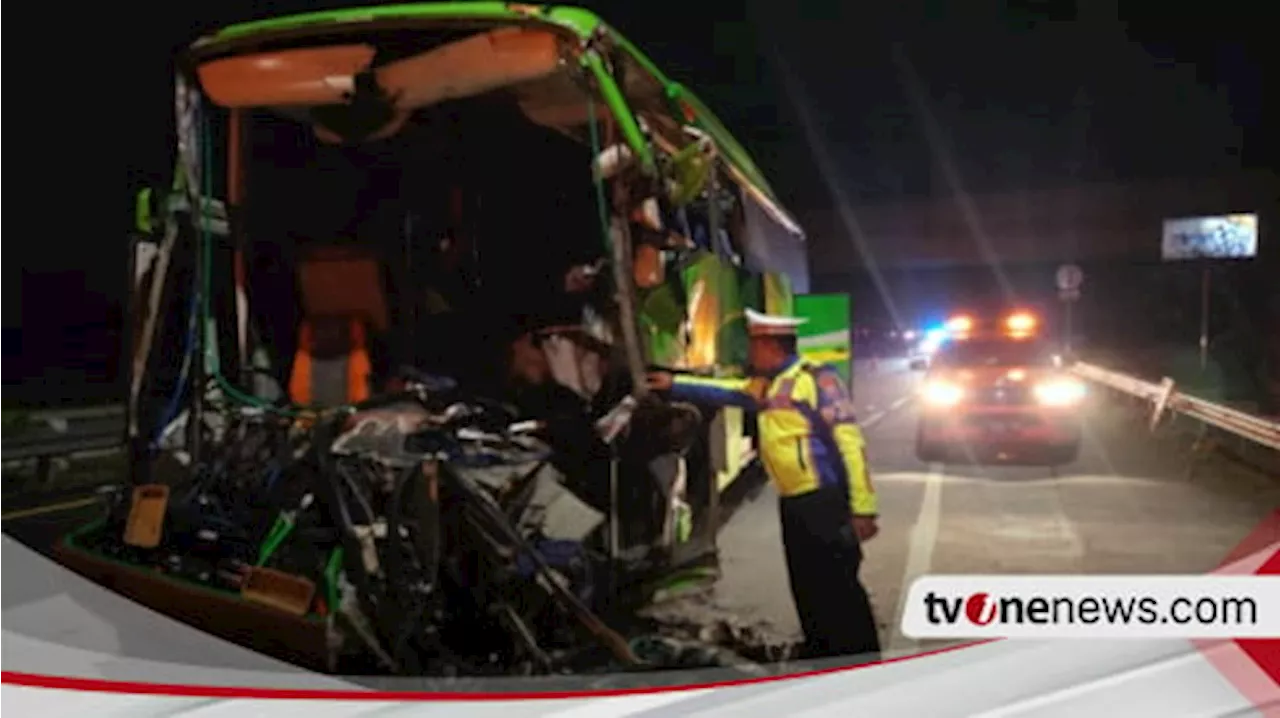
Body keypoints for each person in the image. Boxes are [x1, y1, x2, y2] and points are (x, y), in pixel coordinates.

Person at [646, 308, 881, 660]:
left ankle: (860, 657)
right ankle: (821, 650)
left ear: (772, 346)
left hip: (823, 499)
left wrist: (863, 508)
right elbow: (723, 391)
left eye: (755, 345)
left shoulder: (818, 380)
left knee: (839, 585)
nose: (749, 354)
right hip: (793, 501)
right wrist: (674, 385)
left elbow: (850, 444)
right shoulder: (765, 385)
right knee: (806, 584)